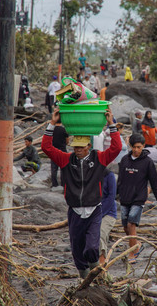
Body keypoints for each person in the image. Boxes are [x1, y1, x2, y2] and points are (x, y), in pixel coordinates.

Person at [41, 108, 121, 278]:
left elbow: (116, 148)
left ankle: (95, 276)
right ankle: (85, 281)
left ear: (89, 147)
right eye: (75, 147)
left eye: (81, 147)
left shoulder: (98, 158)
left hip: (94, 210)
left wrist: (112, 124)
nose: (77, 150)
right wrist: (52, 123)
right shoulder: (66, 160)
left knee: (92, 247)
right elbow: (46, 147)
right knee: (77, 251)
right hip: (75, 211)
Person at [118, 134, 157, 264]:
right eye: (134, 147)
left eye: (139, 147)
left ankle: (132, 253)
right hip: (125, 197)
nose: (136, 150)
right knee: (125, 228)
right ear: (130, 146)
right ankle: (137, 244)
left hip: (139, 198)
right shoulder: (124, 160)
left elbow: (155, 183)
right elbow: (120, 180)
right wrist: (117, 194)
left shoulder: (148, 162)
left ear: (143, 146)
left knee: (131, 224)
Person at [99, 169, 117, 265]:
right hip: (91, 211)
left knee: (101, 233)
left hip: (108, 212)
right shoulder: (89, 174)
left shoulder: (109, 175)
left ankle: (101, 263)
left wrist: (100, 214)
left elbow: (111, 197)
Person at [50, 118, 69, 188]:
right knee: (63, 168)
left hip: (54, 151)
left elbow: (49, 140)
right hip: (62, 151)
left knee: (54, 169)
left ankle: (54, 184)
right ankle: (63, 184)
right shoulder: (64, 130)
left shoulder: (52, 130)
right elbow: (67, 141)